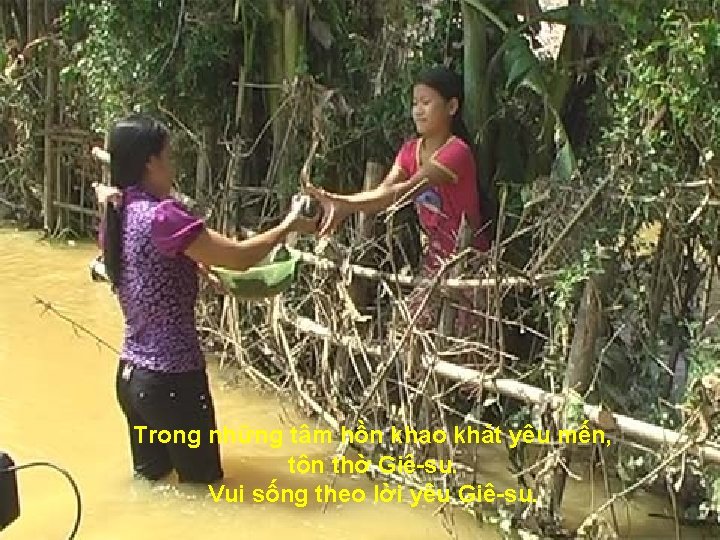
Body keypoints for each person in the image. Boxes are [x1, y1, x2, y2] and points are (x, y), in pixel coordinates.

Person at [94, 113, 317, 484]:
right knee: (205, 490)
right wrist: (288, 225)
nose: (173, 166)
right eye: (168, 156)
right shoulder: (162, 217)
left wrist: (192, 268)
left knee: (153, 487)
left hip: (133, 379)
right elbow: (240, 258)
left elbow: (143, 270)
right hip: (173, 381)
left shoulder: (118, 214)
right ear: (150, 162)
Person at [306, 66, 491, 335]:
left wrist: (345, 204)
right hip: (434, 265)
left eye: (426, 103)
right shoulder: (409, 151)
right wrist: (342, 204)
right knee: (407, 329)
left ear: (451, 107)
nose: (418, 111)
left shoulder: (456, 152)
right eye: (415, 103)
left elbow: (404, 191)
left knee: (464, 344)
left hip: (469, 266)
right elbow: (384, 192)